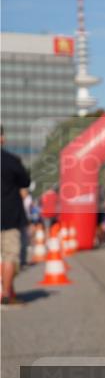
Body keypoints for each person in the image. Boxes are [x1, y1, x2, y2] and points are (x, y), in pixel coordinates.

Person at [1, 127, 31, 305]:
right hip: (9, 216)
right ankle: (6, 293)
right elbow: (25, 182)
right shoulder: (11, 161)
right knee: (10, 256)